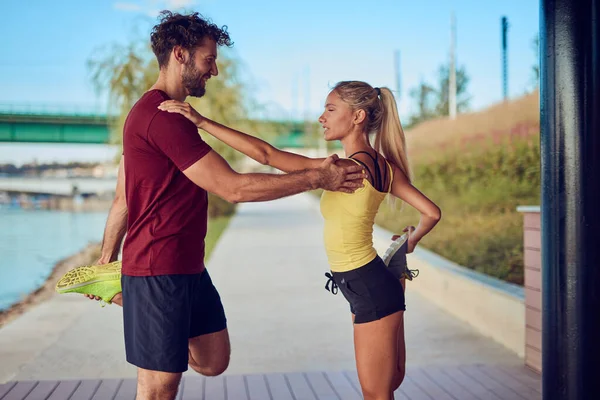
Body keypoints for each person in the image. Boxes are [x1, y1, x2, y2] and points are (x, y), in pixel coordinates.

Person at [54, 11, 365, 400]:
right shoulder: (158, 117)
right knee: (158, 387)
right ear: (180, 55)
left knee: (214, 360)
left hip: (189, 266)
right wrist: (319, 179)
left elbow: (122, 197)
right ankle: (134, 301)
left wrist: (105, 258)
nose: (214, 70)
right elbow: (232, 188)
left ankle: (127, 297)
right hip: (156, 268)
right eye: (209, 59)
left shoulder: (175, 116)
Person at [158, 81, 441, 400]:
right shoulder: (386, 169)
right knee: (390, 380)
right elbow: (431, 213)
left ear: (358, 116)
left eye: (331, 109)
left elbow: (267, 155)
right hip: (373, 281)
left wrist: (202, 122)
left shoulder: (347, 170)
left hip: (367, 284)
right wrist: (412, 240)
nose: (322, 117)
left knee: (377, 393)